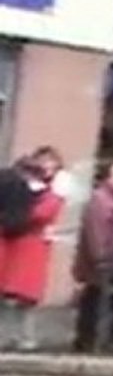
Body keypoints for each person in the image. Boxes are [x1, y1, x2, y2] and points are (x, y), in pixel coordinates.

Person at [0, 147, 66, 350]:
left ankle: (22, 337)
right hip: (17, 245)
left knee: (23, 298)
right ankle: (16, 337)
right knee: (12, 296)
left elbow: (40, 214)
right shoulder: (29, 191)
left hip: (28, 248)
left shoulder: (50, 196)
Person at [72, 161, 113, 353]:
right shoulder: (100, 200)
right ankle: (89, 341)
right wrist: (100, 257)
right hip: (101, 258)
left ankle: (92, 339)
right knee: (95, 299)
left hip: (112, 255)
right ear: (107, 178)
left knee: (99, 298)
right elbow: (95, 230)